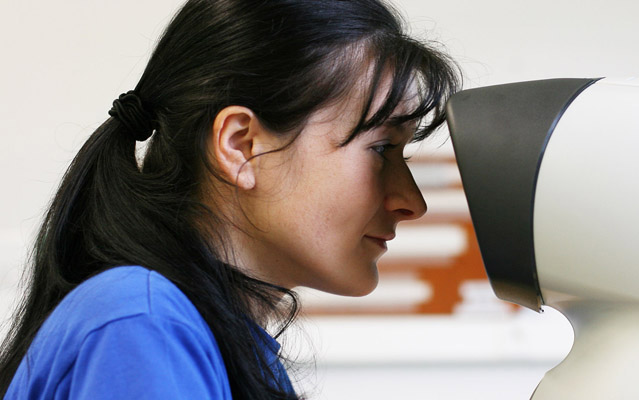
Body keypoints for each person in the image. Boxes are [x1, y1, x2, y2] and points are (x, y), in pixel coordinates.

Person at [0, 0, 460, 398]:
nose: (411, 202)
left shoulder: (220, 344)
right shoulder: (143, 325)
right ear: (240, 146)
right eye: (381, 150)